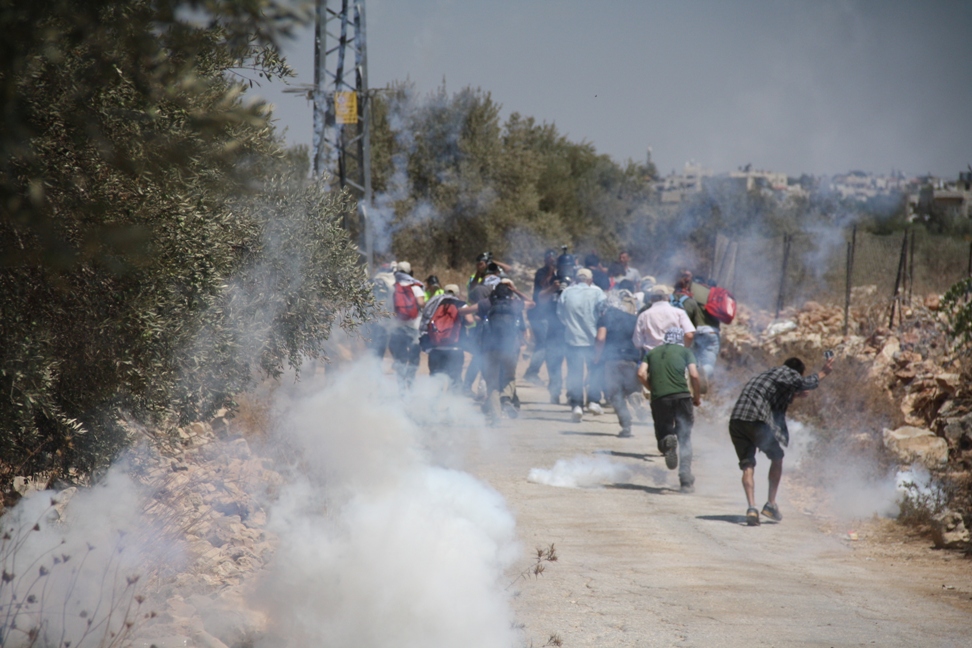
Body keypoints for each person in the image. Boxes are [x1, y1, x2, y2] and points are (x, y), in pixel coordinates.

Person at [728, 355, 835, 526]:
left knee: (747, 465)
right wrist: (823, 373)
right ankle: (771, 504)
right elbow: (804, 383)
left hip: (737, 422)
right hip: (756, 420)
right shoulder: (785, 372)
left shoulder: (768, 376)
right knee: (777, 457)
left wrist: (796, 395)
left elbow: (778, 396)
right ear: (796, 372)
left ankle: (752, 508)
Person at [638, 327, 702, 492]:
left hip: (660, 398)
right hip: (682, 397)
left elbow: (641, 373)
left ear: (665, 339)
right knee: (685, 437)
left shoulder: (652, 353)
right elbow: (694, 375)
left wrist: (652, 388)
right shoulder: (685, 352)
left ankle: (667, 441)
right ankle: (685, 479)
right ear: (680, 339)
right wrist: (696, 396)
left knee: (663, 432)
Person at [461, 280, 534, 423]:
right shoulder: (514, 304)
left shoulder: (486, 304)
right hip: (509, 349)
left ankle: (496, 416)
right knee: (509, 377)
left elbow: (464, 311)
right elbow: (532, 304)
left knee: (492, 382)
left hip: (490, 349)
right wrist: (515, 290)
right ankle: (506, 399)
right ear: (509, 293)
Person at [556, 267, 606, 421]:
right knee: (596, 370)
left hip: (572, 339)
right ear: (590, 280)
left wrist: (571, 326)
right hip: (593, 340)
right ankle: (593, 401)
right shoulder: (598, 292)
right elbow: (603, 313)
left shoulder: (566, 292)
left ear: (576, 279)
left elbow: (560, 315)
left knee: (574, 373)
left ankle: (577, 405)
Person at [593, 302, 643, 438]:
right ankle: (637, 400)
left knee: (616, 394)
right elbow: (640, 340)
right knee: (632, 388)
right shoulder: (634, 319)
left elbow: (600, 338)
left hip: (612, 361)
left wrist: (597, 357)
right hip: (631, 359)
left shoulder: (605, 318)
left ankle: (626, 426)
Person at [419, 283, 469, 387]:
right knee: (454, 380)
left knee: (435, 380)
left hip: (436, 348)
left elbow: (425, 322)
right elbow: (470, 320)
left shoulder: (434, 303)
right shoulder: (460, 304)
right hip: (455, 349)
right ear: (457, 293)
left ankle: (434, 402)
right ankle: (452, 402)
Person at [678, 269, 722, 386]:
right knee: (708, 362)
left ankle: (689, 381)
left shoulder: (689, 296)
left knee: (692, 360)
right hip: (711, 332)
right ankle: (704, 373)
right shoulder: (713, 296)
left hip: (693, 332)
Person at [388, 261, 425, 391]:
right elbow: (421, 303)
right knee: (414, 357)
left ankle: (401, 386)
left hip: (397, 328)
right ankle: (411, 380)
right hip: (414, 327)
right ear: (410, 272)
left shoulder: (393, 287)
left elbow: (388, 308)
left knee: (400, 359)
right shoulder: (415, 287)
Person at [524, 249, 559, 385]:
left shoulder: (560, 274)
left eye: (554, 258)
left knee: (549, 345)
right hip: (538, 314)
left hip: (550, 315)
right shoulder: (541, 272)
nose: (552, 260)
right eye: (549, 258)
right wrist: (550, 271)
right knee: (543, 345)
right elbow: (541, 290)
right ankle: (531, 372)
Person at [632, 285, 696, 354]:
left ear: (652, 298)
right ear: (668, 297)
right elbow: (689, 335)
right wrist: (683, 350)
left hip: (651, 357)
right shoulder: (679, 313)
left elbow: (638, 343)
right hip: (674, 355)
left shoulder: (643, 315)